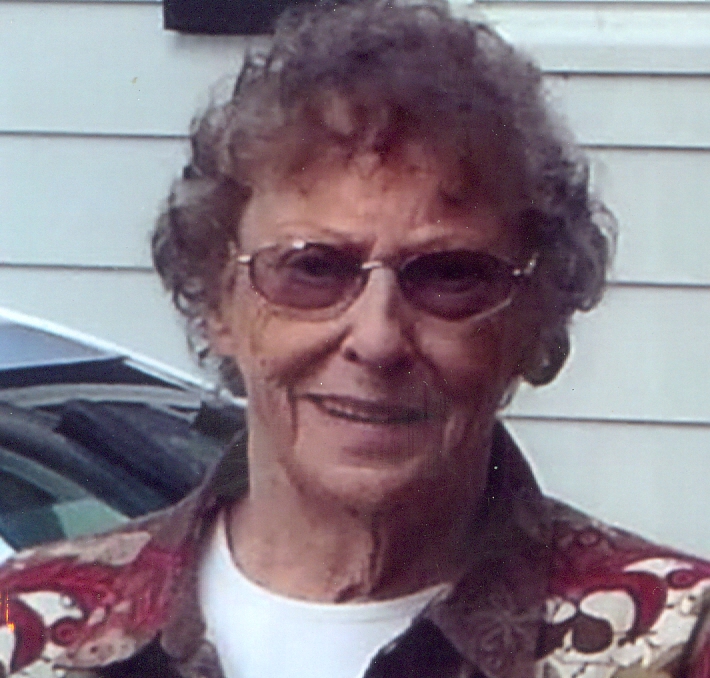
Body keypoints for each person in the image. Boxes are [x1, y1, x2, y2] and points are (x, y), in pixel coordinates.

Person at [2, 1, 710, 677]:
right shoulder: (30, 634)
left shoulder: (676, 644)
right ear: (217, 300)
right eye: (313, 268)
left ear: (535, 319)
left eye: (448, 275)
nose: (377, 339)